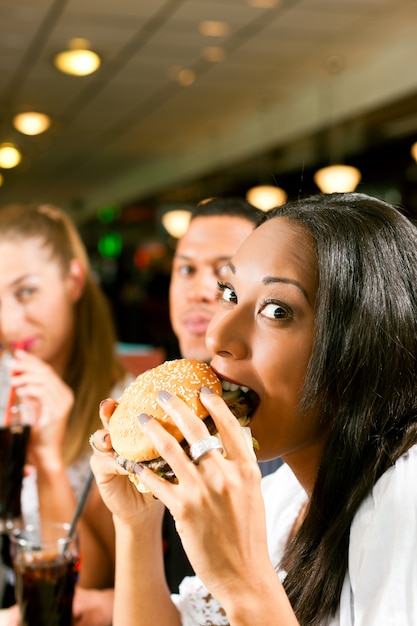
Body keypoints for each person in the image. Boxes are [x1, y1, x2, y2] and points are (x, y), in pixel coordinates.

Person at [90, 192, 417, 625]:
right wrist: (137, 523)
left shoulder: (405, 509)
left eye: (277, 310)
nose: (217, 336)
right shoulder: (281, 498)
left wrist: (246, 585)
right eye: (230, 293)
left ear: (362, 344)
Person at [0, 203, 132, 625]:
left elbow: (89, 585)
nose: (9, 321)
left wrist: (50, 463)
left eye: (26, 292)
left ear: (74, 281)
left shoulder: (118, 408)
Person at [164, 196, 283, 591]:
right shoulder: (151, 404)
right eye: (186, 269)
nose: (198, 290)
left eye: (222, 274)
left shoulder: (278, 422)